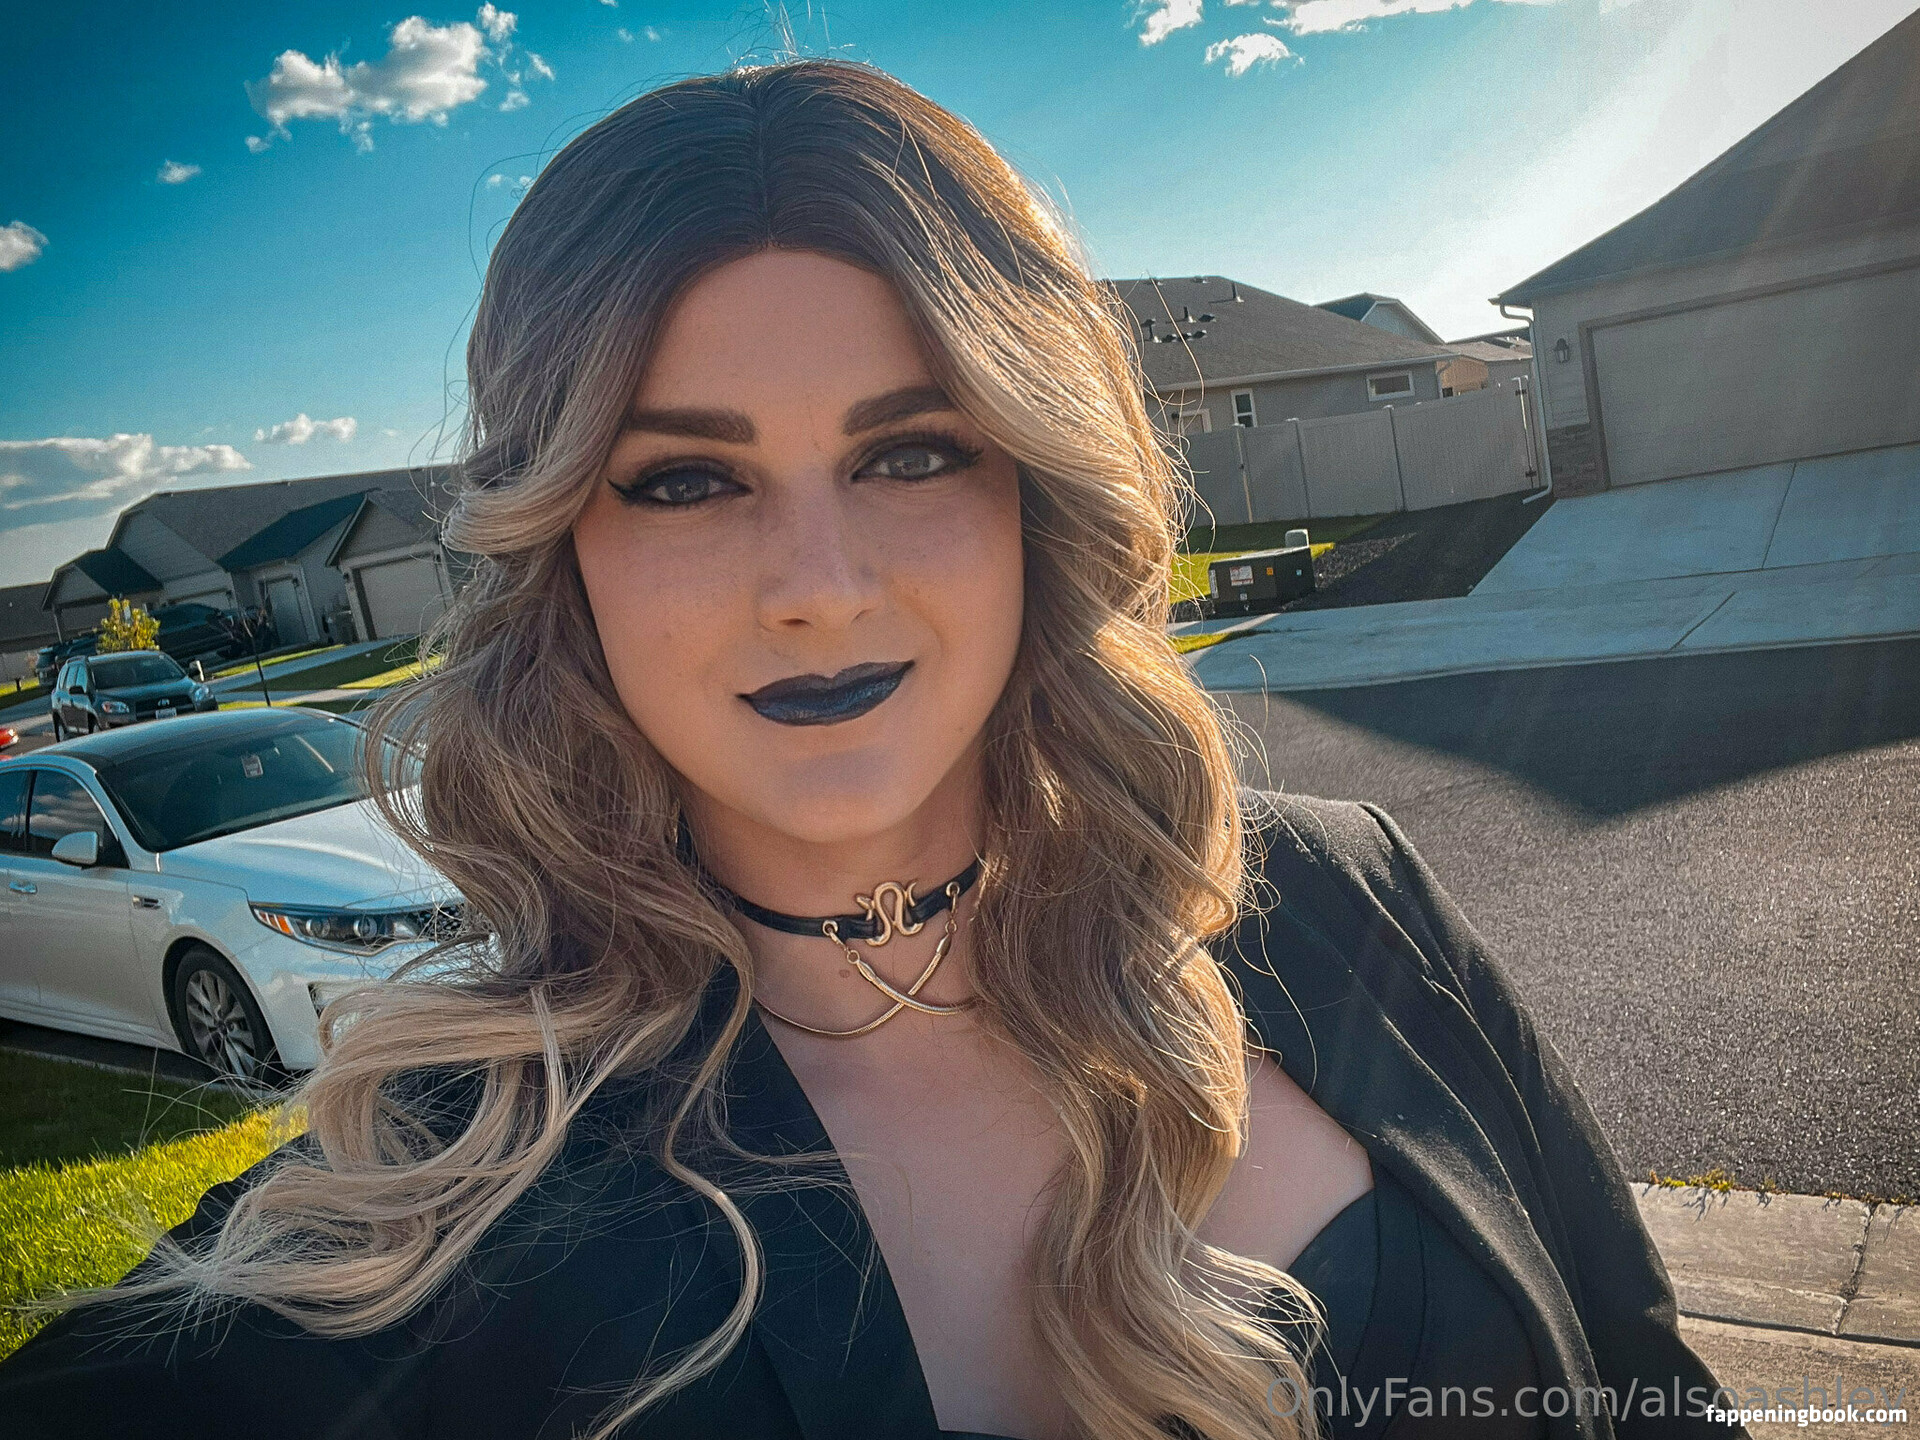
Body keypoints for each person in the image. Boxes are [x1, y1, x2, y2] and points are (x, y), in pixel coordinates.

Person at [0, 60, 1742, 1440]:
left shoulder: (1350, 895)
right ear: (563, 550)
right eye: (688, 480)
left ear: (1032, 489)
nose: (819, 590)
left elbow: (1656, 1385)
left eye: (911, 452)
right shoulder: (464, 1178)